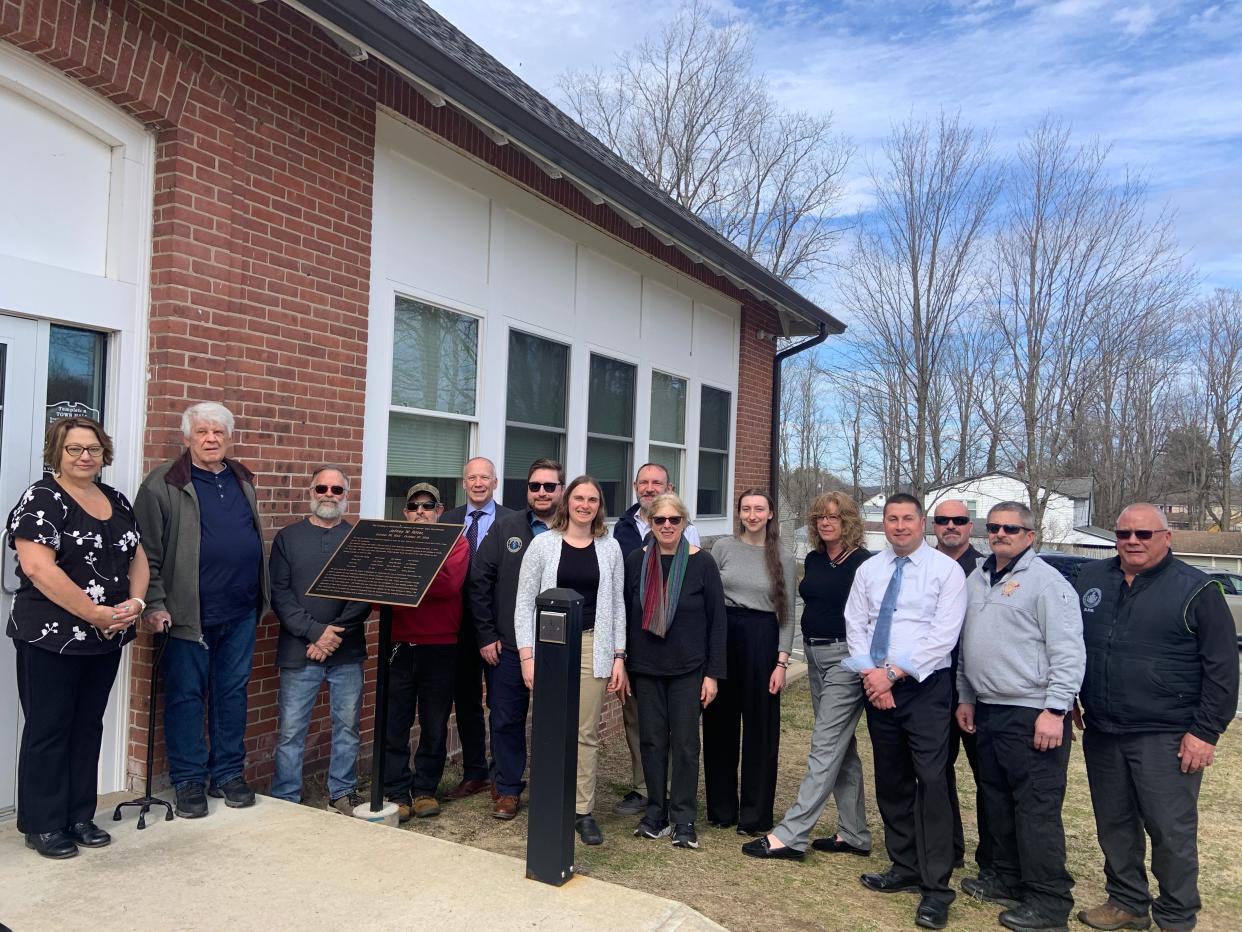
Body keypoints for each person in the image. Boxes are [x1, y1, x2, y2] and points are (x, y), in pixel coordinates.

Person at [1073, 503, 1238, 932]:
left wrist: (1205, 733)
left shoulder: (1197, 589)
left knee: (1169, 830)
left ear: (1167, 537)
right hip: (1103, 729)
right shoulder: (1092, 580)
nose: (1132, 541)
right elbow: (1072, 647)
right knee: (1114, 823)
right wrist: (1070, 696)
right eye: (1124, 533)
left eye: (1144, 534)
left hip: (1166, 734)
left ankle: (1176, 915)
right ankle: (1127, 902)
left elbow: (1222, 668)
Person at [8, 417, 152, 859]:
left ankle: (78, 815)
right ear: (57, 453)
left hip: (105, 636)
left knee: (87, 726)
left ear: (104, 453)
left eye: (92, 448)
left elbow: (138, 556)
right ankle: (43, 824)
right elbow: (37, 567)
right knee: (49, 728)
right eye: (74, 449)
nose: (84, 456)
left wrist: (136, 603)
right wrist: (94, 613)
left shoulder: (116, 499)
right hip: (51, 636)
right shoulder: (43, 497)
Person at [134, 402, 268, 818]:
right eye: (202, 432)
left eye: (218, 433)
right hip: (187, 616)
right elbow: (145, 554)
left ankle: (227, 774)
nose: (211, 439)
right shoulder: (162, 485)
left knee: (231, 694)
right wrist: (153, 604)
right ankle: (189, 780)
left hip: (241, 610)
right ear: (186, 438)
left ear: (229, 437)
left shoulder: (242, 478)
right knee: (186, 697)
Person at [955, 502, 1084, 932]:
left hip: (1033, 711)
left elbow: (1068, 652)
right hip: (988, 708)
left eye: (1011, 528)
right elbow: (968, 644)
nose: (1000, 534)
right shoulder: (977, 578)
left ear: (1030, 535)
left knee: (1036, 808)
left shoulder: (1048, 584)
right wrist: (966, 695)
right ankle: (1006, 877)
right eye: (993, 527)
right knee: (996, 798)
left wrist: (1055, 709)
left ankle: (1049, 902)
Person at [844, 492, 967, 931]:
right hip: (876, 686)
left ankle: (936, 888)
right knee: (892, 779)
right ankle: (904, 864)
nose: (899, 526)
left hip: (925, 688)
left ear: (923, 523)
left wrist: (891, 674)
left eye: (907, 519)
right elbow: (855, 624)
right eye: (892, 519)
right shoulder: (869, 569)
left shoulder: (946, 572)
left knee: (931, 782)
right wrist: (871, 676)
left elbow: (942, 637)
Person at [742, 491, 873, 861]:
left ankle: (792, 834)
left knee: (825, 745)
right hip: (814, 655)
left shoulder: (863, 563)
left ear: (849, 521)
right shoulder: (815, 560)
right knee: (842, 749)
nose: (826, 523)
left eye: (834, 517)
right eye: (820, 517)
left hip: (846, 659)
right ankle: (855, 833)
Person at [515, 475, 626, 845]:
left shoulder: (609, 548)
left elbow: (619, 605)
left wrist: (619, 656)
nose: (585, 505)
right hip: (548, 647)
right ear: (568, 502)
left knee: (585, 732)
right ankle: (549, 801)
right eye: (579, 498)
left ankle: (582, 809)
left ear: (599, 506)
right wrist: (526, 655)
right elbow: (524, 601)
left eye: (592, 499)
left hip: (593, 645)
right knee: (549, 726)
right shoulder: (543, 545)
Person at [624, 493, 726, 849]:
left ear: (684, 523)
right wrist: (621, 662)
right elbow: (626, 614)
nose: (667, 526)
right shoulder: (637, 560)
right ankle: (656, 812)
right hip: (646, 668)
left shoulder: (703, 564)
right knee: (651, 742)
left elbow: (717, 623)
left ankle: (683, 818)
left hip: (689, 669)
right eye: (659, 520)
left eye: (674, 520)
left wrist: (712, 674)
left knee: (684, 744)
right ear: (650, 524)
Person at [269, 466, 371, 816]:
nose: (329, 495)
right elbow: (279, 594)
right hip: (300, 651)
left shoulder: (360, 538)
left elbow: (363, 597)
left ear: (347, 495)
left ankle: (341, 793)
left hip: (346, 652)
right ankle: (285, 797)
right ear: (310, 492)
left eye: (337, 490)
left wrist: (331, 636)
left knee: (347, 727)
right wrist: (315, 633)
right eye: (322, 488)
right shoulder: (288, 538)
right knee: (292, 730)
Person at [468, 458, 564, 820]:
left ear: (561, 490)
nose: (541, 492)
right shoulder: (506, 527)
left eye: (549, 486)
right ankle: (507, 788)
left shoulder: (574, 530)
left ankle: (553, 787)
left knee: (554, 719)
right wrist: (487, 634)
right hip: (508, 645)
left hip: (559, 645)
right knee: (505, 717)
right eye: (534, 486)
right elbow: (480, 582)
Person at [703, 488, 795, 836]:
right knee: (719, 725)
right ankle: (721, 808)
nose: (753, 515)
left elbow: (786, 614)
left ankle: (754, 815)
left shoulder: (782, 555)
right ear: (738, 513)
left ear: (770, 514)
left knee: (761, 729)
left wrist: (781, 662)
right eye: (746, 509)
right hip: (724, 635)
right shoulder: (723, 548)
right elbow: (711, 599)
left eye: (759, 509)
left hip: (762, 639)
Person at [611, 462, 701, 816]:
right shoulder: (620, 531)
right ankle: (645, 789)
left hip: (681, 654)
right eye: (644, 482)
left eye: (657, 483)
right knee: (641, 725)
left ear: (669, 487)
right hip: (642, 650)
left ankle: (677, 799)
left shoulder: (688, 535)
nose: (649, 488)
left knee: (681, 733)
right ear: (635, 486)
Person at [383, 483, 471, 821]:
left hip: (441, 645)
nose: (421, 511)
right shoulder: (391, 541)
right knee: (395, 723)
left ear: (439, 511)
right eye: (414, 506)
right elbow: (379, 596)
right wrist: (418, 579)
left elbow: (450, 585)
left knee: (434, 724)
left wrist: (406, 577)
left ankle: (424, 790)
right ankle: (396, 791)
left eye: (428, 506)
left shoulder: (456, 541)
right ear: (405, 512)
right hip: (400, 646)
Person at [441, 456, 513, 801]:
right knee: (467, 701)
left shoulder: (513, 521)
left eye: (485, 477)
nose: (479, 483)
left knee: (501, 703)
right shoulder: (448, 520)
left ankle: (503, 776)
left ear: (495, 482)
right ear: (464, 483)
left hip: (498, 628)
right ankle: (475, 773)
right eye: (473, 478)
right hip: (457, 627)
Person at [931, 498, 989, 875]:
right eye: (942, 520)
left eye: (959, 520)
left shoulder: (986, 570)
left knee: (989, 776)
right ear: (932, 525)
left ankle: (993, 861)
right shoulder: (923, 565)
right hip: (932, 686)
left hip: (977, 689)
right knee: (936, 772)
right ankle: (946, 849)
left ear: (970, 526)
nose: (950, 525)